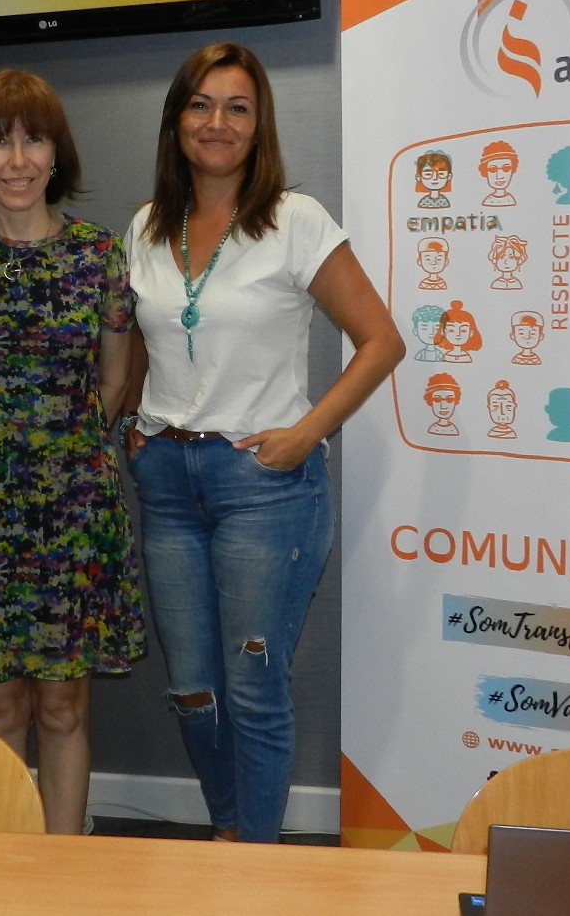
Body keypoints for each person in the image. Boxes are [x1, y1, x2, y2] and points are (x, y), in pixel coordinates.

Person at [121, 42, 404, 843]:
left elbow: (382, 340)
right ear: (177, 119)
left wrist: (307, 432)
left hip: (263, 485)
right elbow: (146, 333)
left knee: (253, 687)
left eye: (237, 107)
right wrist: (137, 424)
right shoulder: (146, 224)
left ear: (259, 124)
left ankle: (256, 858)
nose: (218, 122)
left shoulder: (294, 220)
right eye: (201, 104)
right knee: (191, 689)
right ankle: (228, 833)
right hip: (167, 480)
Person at [0, 69, 145, 835]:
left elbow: (114, 381)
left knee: (64, 702)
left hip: (73, 511)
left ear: (57, 153)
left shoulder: (98, 255)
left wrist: (59, 452)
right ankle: (2, 870)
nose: (16, 160)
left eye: (33, 139)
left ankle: (62, 871)